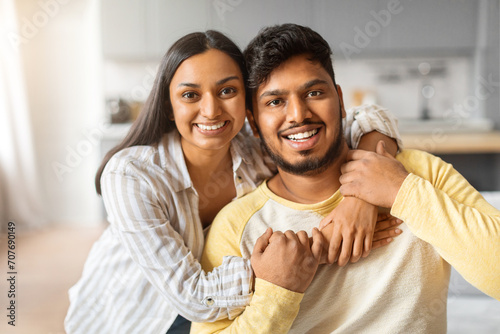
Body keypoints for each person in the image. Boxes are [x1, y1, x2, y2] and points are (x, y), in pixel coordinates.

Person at [64, 30, 402, 334]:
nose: (211, 110)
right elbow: (195, 299)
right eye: (190, 95)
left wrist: (360, 196)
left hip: (223, 305)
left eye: (227, 90)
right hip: (136, 317)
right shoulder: (132, 176)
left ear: (248, 102)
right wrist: (311, 253)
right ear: (169, 106)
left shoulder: (257, 151)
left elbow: (366, 118)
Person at [192, 23, 500, 334]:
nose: (298, 114)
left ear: (340, 102)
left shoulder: (419, 174)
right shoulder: (236, 226)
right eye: (275, 101)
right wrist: (278, 291)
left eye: (314, 92)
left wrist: (400, 192)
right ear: (254, 123)